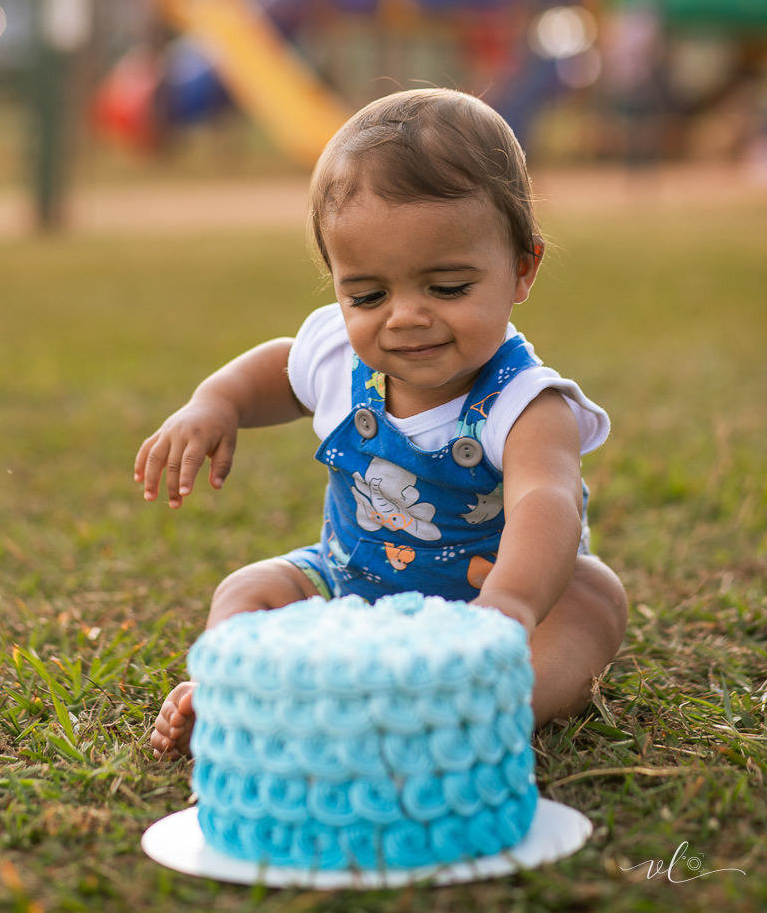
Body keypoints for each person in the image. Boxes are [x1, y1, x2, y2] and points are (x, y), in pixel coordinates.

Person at [139, 89, 628, 760]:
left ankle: (495, 705)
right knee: (248, 589)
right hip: (349, 590)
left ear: (521, 269)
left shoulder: (526, 405)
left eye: (447, 287)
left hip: (487, 611)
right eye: (367, 295)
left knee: (593, 599)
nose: (404, 316)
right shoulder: (342, 356)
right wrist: (213, 405)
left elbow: (547, 503)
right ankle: (238, 693)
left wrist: (508, 610)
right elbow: (280, 369)